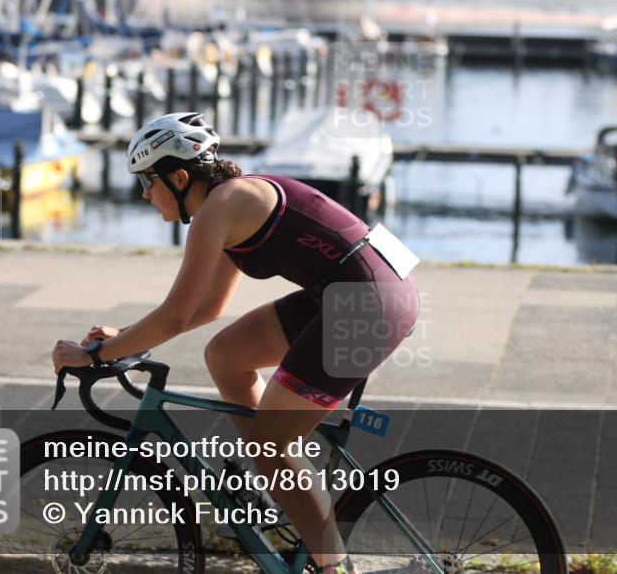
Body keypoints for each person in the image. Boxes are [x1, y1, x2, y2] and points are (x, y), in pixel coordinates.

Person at [52, 112, 421, 574]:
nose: (145, 194)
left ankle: (331, 566)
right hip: (353, 292)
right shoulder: (228, 203)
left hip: (366, 304)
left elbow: (175, 316)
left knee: (270, 446)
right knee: (226, 355)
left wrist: (95, 354)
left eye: (149, 182)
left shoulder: (219, 210)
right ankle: (275, 485)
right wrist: (125, 336)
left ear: (180, 176)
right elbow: (208, 308)